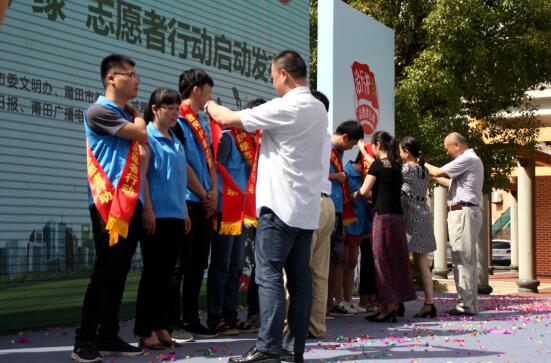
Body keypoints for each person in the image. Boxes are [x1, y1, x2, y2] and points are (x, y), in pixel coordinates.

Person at [205, 50, 328, 363]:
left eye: (273, 76)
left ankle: (268, 347)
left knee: (269, 275)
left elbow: (227, 119)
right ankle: (291, 349)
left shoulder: (288, 106)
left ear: (285, 74)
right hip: (305, 211)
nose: (272, 82)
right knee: (299, 281)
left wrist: (207, 102)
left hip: (278, 208)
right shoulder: (317, 108)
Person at [73, 54, 146, 363]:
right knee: (105, 272)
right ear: (111, 78)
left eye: (135, 74)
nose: (136, 79)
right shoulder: (98, 110)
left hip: (132, 202)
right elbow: (140, 133)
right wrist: (138, 118)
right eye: (129, 74)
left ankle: (109, 333)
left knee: (119, 272)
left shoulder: (124, 113)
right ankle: (84, 340)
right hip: (109, 206)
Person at [133, 88, 192, 349]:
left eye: (177, 108)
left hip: (176, 215)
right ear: (155, 109)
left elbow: (179, 181)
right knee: (153, 275)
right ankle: (145, 330)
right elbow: (143, 177)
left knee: (168, 276)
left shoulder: (175, 139)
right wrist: (147, 210)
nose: (175, 112)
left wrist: (185, 211)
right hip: (156, 216)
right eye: (169, 107)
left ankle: (162, 326)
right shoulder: (148, 138)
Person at [206, 98, 262, 336]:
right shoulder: (229, 137)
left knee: (236, 265)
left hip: (240, 210)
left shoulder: (252, 143)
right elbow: (214, 166)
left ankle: (230, 314)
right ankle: (215, 317)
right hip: (224, 208)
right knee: (221, 265)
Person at [171, 69, 217, 339]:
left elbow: (209, 159)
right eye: (208, 91)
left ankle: (191, 317)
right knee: (181, 263)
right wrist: (202, 192)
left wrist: (213, 193)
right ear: (197, 90)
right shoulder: (177, 118)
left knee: (199, 263)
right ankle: (173, 320)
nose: (209, 97)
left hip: (205, 201)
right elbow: (182, 162)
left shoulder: (200, 121)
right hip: (187, 201)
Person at [353, 131, 416, 323]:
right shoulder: (397, 166)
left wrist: (353, 195)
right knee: (395, 260)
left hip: (383, 218)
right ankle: (392, 304)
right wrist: (364, 152)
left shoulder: (378, 165)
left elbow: (365, 191)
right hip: (398, 218)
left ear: (378, 145)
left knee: (380, 261)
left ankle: (388, 307)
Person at [425, 132, 483, 316]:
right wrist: (433, 178)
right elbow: (449, 183)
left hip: (463, 212)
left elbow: (437, 171)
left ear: (457, 145)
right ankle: (468, 304)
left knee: (462, 260)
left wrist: (420, 162)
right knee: (466, 260)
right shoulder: (471, 160)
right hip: (466, 211)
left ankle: (466, 306)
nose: (447, 152)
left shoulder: (467, 158)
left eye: (447, 147)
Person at [306, 89, 335, 339]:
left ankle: (291, 324)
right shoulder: (325, 134)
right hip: (326, 203)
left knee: (296, 270)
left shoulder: (307, 132)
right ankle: (316, 326)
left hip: (309, 204)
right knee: (319, 273)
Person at [327, 121, 364, 316]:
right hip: (327, 208)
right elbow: (313, 174)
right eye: (351, 144)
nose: (350, 148)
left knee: (336, 258)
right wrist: (336, 177)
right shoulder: (324, 147)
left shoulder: (338, 153)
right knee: (326, 260)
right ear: (345, 137)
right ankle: (323, 303)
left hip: (339, 211)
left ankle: (331, 301)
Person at [399, 136, 437, 318]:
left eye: (400, 151)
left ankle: (398, 301)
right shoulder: (424, 170)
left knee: (400, 259)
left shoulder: (407, 169)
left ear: (406, 152)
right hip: (423, 212)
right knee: (422, 262)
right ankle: (429, 302)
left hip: (410, 214)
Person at [343, 152, 374, 314]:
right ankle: (339, 300)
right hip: (349, 223)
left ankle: (348, 300)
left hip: (363, 223)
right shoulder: (346, 171)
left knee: (352, 262)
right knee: (343, 262)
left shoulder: (367, 175)